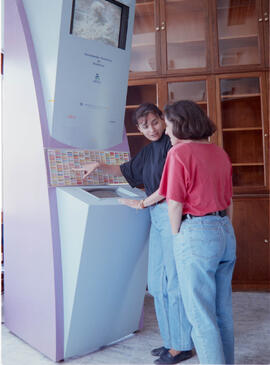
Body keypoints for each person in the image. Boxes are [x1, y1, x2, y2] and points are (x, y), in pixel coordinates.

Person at [74, 103, 193, 364]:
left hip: (173, 213)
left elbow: (168, 189)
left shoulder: (174, 146)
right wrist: (99, 165)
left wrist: (141, 203)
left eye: (154, 122)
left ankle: (183, 345)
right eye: (144, 125)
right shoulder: (148, 152)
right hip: (155, 216)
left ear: (163, 120)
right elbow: (125, 171)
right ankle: (171, 341)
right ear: (138, 129)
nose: (151, 128)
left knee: (173, 284)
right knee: (156, 284)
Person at [157, 100, 236, 365]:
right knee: (221, 311)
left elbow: (175, 202)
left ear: (180, 124)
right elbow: (229, 202)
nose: (166, 132)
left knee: (200, 315)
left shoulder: (178, 153)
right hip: (224, 230)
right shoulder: (219, 152)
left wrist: (177, 236)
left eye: (167, 125)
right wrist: (223, 227)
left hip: (196, 233)